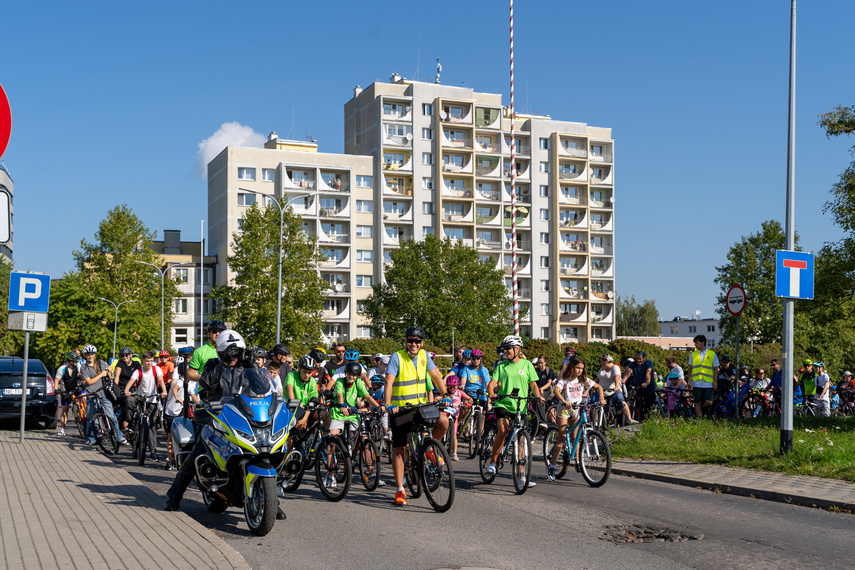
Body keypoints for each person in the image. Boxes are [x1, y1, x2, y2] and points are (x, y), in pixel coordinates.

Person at [165, 329, 287, 519]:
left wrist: (252, 365)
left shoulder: (247, 367)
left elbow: (263, 388)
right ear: (221, 353)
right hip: (217, 416)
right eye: (229, 353)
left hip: (243, 415)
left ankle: (271, 500)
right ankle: (174, 497)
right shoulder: (214, 364)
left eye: (236, 353)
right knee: (195, 455)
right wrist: (222, 364)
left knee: (266, 451)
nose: (234, 357)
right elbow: (207, 383)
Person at [384, 325, 451, 507]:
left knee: (443, 421)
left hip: (421, 406)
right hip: (401, 409)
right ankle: (400, 490)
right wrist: (388, 404)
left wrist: (445, 394)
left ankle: (430, 448)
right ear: (405, 341)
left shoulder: (424, 356)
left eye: (417, 341)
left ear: (422, 343)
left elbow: (436, 376)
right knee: (399, 449)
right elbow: (389, 381)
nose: (413, 344)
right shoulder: (397, 357)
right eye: (410, 340)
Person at [486, 335, 543, 488]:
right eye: (504, 349)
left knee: (521, 440)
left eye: (508, 348)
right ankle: (493, 462)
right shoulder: (501, 366)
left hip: (521, 406)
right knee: (503, 430)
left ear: (517, 349)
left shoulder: (527, 365)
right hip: (503, 403)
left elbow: (534, 385)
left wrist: (538, 397)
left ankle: (522, 477)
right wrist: (491, 392)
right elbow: (491, 383)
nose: (505, 351)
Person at [547, 356, 605, 481]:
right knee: (562, 437)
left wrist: (602, 398)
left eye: (581, 368)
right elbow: (556, 390)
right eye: (577, 368)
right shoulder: (565, 380)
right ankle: (552, 465)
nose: (579, 370)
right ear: (572, 367)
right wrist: (563, 401)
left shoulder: (582, 380)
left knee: (576, 436)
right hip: (564, 410)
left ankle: (579, 461)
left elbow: (598, 387)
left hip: (576, 409)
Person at [325, 362, 380, 488]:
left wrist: (379, 407)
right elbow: (339, 394)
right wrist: (342, 405)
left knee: (364, 439)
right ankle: (330, 474)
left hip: (353, 414)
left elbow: (367, 396)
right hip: (338, 413)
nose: (352, 377)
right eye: (350, 374)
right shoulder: (340, 381)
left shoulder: (358, 383)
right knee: (332, 441)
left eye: (355, 375)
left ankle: (370, 471)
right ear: (346, 373)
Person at [124, 351, 167, 462]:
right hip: (140, 396)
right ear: (143, 361)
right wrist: (127, 390)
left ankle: (153, 452)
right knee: (129, 400)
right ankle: (130, 424)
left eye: (151, 361)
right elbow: (131, 381)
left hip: (152, 398)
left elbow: (161, 380)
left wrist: (164, 391)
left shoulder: (155, 369)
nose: (149, 363)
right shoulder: (138, 371)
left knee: (152, 425)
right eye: (147, 361)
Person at [79, 345, 124, 446]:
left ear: (94, 354)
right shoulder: (84, 368)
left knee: (111, 415)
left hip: (103, 393)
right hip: (91, 395)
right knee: (91, 418)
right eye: (88, 355)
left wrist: (109, 369)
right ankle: (91, 438)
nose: (90, 356)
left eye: (92, 354)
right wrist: (101, 375)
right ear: (85, 356)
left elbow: (109, 371)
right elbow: (89, 382)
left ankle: (119, 436)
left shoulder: (100, 363)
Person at [686, 335, 719, 418]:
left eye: (696, 342)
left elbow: (716, 369)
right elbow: (690, 368)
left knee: (709, 402)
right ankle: (700, 421)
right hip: (697, 382)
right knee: (698, 402)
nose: (695, 345)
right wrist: (689, 379)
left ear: (702, 342)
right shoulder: (693, 354)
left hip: (708, 383)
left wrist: (715, 381)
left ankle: (701, 411)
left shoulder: (712, 354)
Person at [285, 355, 320, 430]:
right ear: (299, 369)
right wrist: (295, 403)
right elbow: (289, 389)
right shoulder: (291, 375)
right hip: (290, 408)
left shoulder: (312, 381)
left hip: (306, 409)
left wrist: (304, 419)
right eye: (304, 372)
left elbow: (312, 402)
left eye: (309, 372)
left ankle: (325, 438)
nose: (307, 375)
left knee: (324, 414)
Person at [187, 320, 226, 387]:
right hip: (207, 391)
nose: (218, 334)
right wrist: (206, 379)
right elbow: (189, 374)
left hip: (225, 390)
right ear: (208, 334)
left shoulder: (228, 350)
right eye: (214, 331)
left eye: (220, 331)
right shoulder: (200, 351)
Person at [443, 375, 472, 461]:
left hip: (454, 415)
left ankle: (454, 453)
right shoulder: (445, 393)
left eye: (454, 386)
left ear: (457, 386)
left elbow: (469, 398)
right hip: (445, 414)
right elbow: (440, 397)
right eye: (450, 386)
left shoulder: (459, 392)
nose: (452, 388)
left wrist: (469, 402)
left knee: (454, 434)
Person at [599, 354, 635, 424]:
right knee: (594, 402)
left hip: (613, 389)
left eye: (601, 362)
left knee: (620, 400)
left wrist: (616, 386)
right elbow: (598, 379)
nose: (600, 363)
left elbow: (617, 378)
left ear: (606, 361)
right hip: (602, 390)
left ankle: (629, 419)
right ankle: (596, 422)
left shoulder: (615, 368)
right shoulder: (601, 369)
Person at [622, 351, 656, 421]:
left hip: (648, 387)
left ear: (644, 358)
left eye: (640, 359)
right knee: (635, 399)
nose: (638, 360)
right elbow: (628, 373)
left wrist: (646, 383)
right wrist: (621, 383)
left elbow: (648, 373)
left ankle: (651, 419)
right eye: (637, 358)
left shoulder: (648, 363)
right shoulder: (633, 364)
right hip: (638, 386)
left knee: (649, 405)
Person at [54, 352, 82, 436]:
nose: (77, 363)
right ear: (70, 361)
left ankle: (83, 416)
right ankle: (62, 429)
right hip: (65, 391)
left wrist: (84, 382)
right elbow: (56, 381)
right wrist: (56, 390)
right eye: (75, 361)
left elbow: (82, 376)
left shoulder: (78, 367)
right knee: (65, 410)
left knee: (84, 398)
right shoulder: (62, 369)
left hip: (76, 389)